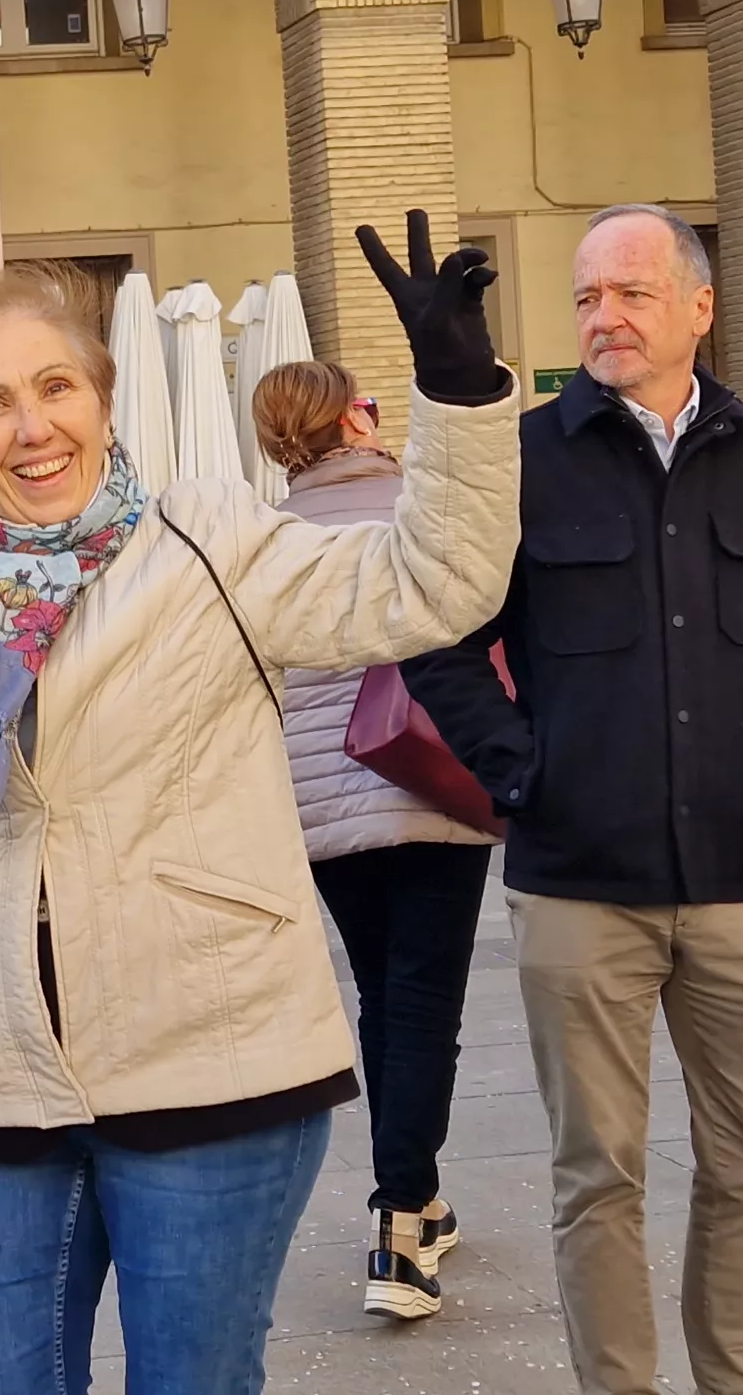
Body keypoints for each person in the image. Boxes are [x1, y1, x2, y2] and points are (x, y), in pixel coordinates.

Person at [0, 218, 518, 1395]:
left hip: (211, 1055)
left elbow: (432, 584)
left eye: (55, 387)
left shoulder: (212, 538)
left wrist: (456, 393)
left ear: (101, 398)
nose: (32, 424)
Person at [400, 203, 743, 1395]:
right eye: (584, 299)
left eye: (630, 294)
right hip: (579, 890)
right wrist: (519, 774)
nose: (602, 319)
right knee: (596, 1179)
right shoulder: (524, 458)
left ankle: (740, 1383)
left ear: (699, 309)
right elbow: (436, 636)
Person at [249, 358, 503, 1322]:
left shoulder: (263, 537)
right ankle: (399, 1225)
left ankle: (421, 1197)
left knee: (386, 996)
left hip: (320, 806)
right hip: (435, 775)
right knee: (424, 1004)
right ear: (352, 420)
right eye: (366, 403)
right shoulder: (417, 506)